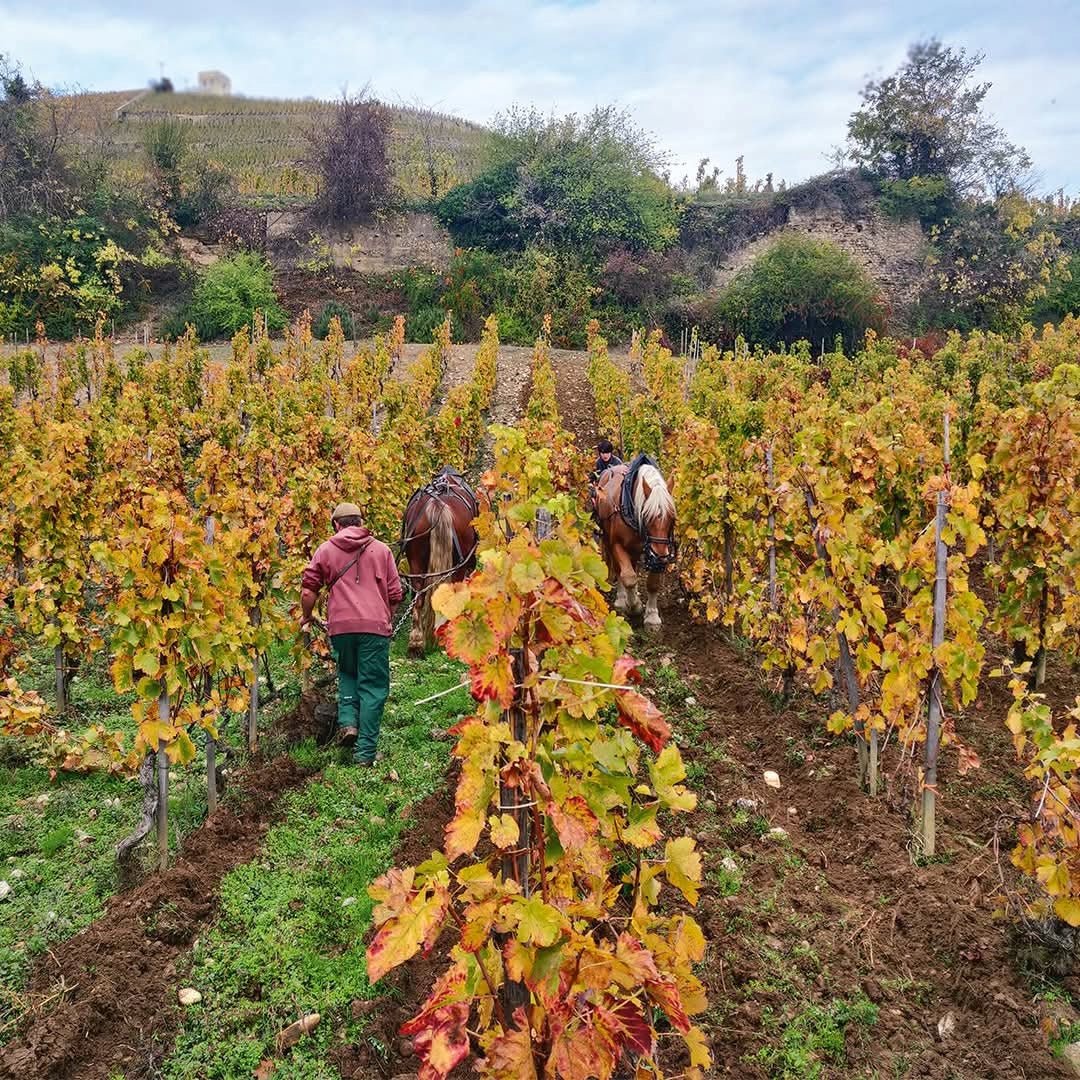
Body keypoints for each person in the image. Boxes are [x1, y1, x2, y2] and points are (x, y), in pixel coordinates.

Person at [300, 502, 402, 766]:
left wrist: (307, 615)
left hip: (341, 627)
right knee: (373, 687)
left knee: (347, 672)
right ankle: (365, 754)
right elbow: (395, 594)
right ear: (360, 522)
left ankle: (348, 723)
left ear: (336, 525)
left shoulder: (325, 550)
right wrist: (385, 619)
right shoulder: (382, 550)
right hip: (374, 628)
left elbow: (309, 589)